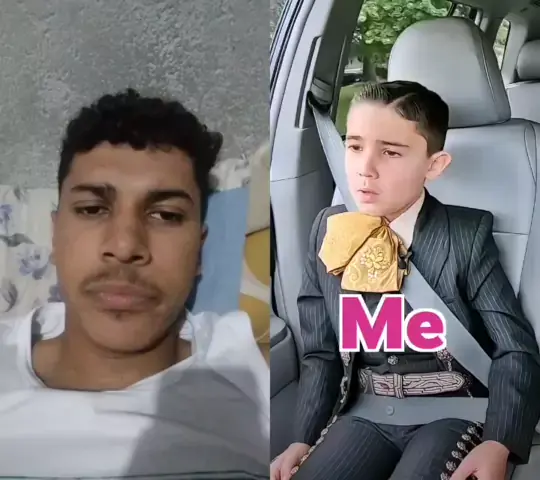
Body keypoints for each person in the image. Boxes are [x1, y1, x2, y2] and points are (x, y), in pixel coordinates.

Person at [270, 81, 540, 480]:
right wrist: (302, 437)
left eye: (391, 152)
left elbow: (514, 347)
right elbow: (321, 353)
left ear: (434, 166)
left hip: (454, 408)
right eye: (354, 146)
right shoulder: (329, 230)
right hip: (365, 409)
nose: (365, 168)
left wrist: (499, 441)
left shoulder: (465, 236)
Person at [0, 89, 269, 479]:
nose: (125, 246)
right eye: (93, 209)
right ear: (55, 237)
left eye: (165, 215)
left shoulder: (254, 380)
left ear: (199, 251)